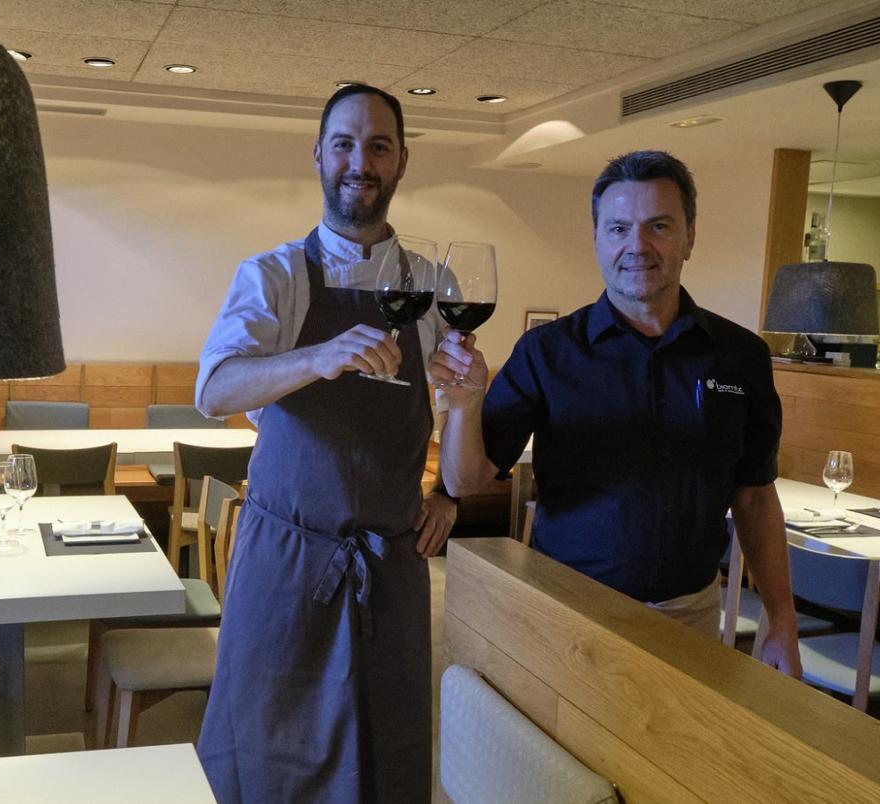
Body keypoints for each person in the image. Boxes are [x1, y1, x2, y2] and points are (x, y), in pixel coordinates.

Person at [432, 150, 802, 676]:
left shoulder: (740, 356)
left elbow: (756, 496)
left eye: (659, 226)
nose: (638, 245)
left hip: (690, 619)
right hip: (565, 612)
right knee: (560, 761)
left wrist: (782, 619)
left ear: (689, 237)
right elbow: (465, 479)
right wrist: (467, 405)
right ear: (598, 239)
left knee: (672, 757)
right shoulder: (547, 352)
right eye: (620, 227)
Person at [194, 84, 455, 803]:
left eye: (378, 146)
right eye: (344, 143)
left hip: (389, 567)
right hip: (285, 560)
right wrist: (317, 357)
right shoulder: (272, 277)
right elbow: (214, 390)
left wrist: (453, 491)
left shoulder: (433, 285)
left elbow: (453, 409)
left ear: (402, 161)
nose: (359, 162)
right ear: (318, 155)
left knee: (387, 754)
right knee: (266, 750)